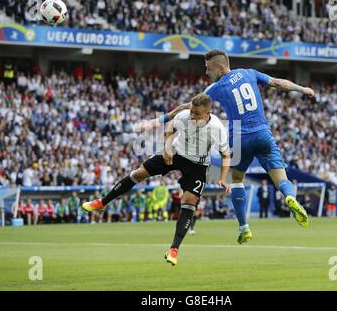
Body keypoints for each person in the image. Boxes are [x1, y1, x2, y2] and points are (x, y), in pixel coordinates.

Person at [145, 49, 312, 243]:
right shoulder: (250, 72)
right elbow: (278, 83)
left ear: (220, 67)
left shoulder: (215, 88)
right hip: (263, 133)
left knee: (237, 179)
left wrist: (161, 119)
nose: (207, 73)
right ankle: (289, 196)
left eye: (209, 69)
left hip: (240, 137)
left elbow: (187, 107)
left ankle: (243, 228)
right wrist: (302, 89)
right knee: (281, 178)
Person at [82, 93, 231, 266]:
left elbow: (225, 155)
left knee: (189, 201)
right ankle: (102, 201)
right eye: (191, 111)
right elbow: (170, 129)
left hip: (197, 165)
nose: (191, 115)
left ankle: (174, 249)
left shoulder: (217, 128)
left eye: (196, 114)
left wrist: (222, 179)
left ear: (207, 113)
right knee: (139, 173)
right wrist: (167, 147)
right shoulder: (183, 116)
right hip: (176, 152)